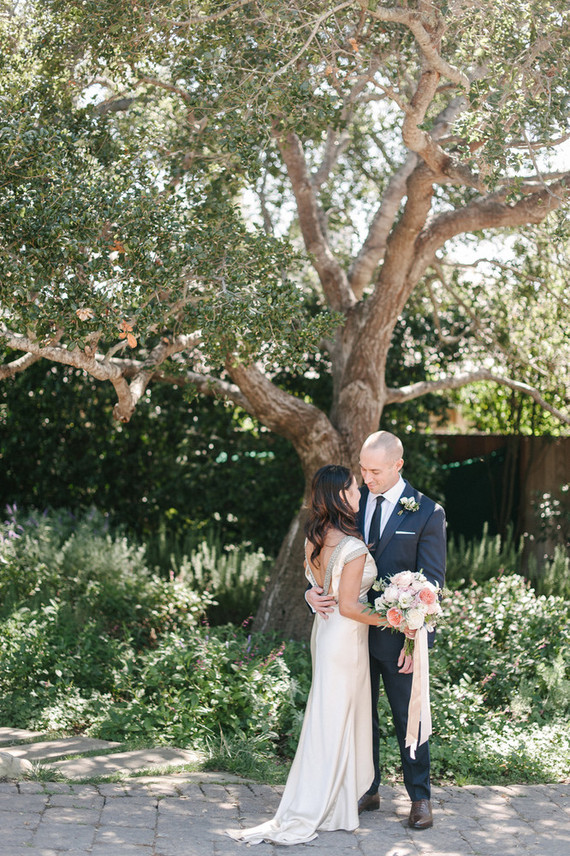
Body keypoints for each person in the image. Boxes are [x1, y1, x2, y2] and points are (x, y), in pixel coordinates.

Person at [227, 464, 390, 845]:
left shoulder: (314, 537)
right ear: (339, 495)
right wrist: (395, 619)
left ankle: (337, 805)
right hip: (345, 636)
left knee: (330, 718)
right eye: (353, 488)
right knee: (333, 721)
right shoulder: (350, 546)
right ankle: (319, 805)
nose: (359, 492)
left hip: (328, 632)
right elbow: (350, 605)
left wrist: (309, 593)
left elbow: (317, 583)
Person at [307, 431, 446, 830]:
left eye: (375, 471)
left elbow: (431, 586)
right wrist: (309, 592)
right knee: (360, 716)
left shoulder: (426, 512)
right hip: (351, 637)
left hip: (400, 639)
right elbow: (325, 553)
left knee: (409, 718)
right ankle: (367, 788)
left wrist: (416, 640)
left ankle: (420, 798)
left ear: (398, 465)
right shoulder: (352, 501)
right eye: (363, 469)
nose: (367, 478)